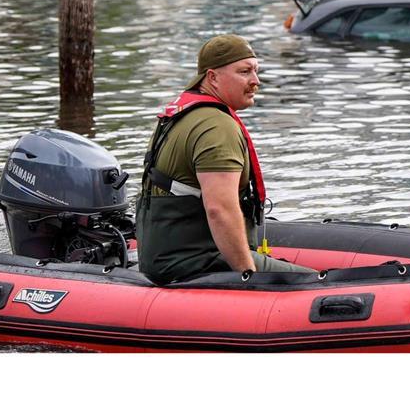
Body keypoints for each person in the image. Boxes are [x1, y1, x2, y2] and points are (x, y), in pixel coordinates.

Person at [135, 34, 315, 284]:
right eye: (244, 72)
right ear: (212, 77)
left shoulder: (182, 115)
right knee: (319, 284)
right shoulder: (216, 127)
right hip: (197, 261)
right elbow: (220, 209)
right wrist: (249, 275)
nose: (256, 81)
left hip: (165, 258)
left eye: (256, 71)